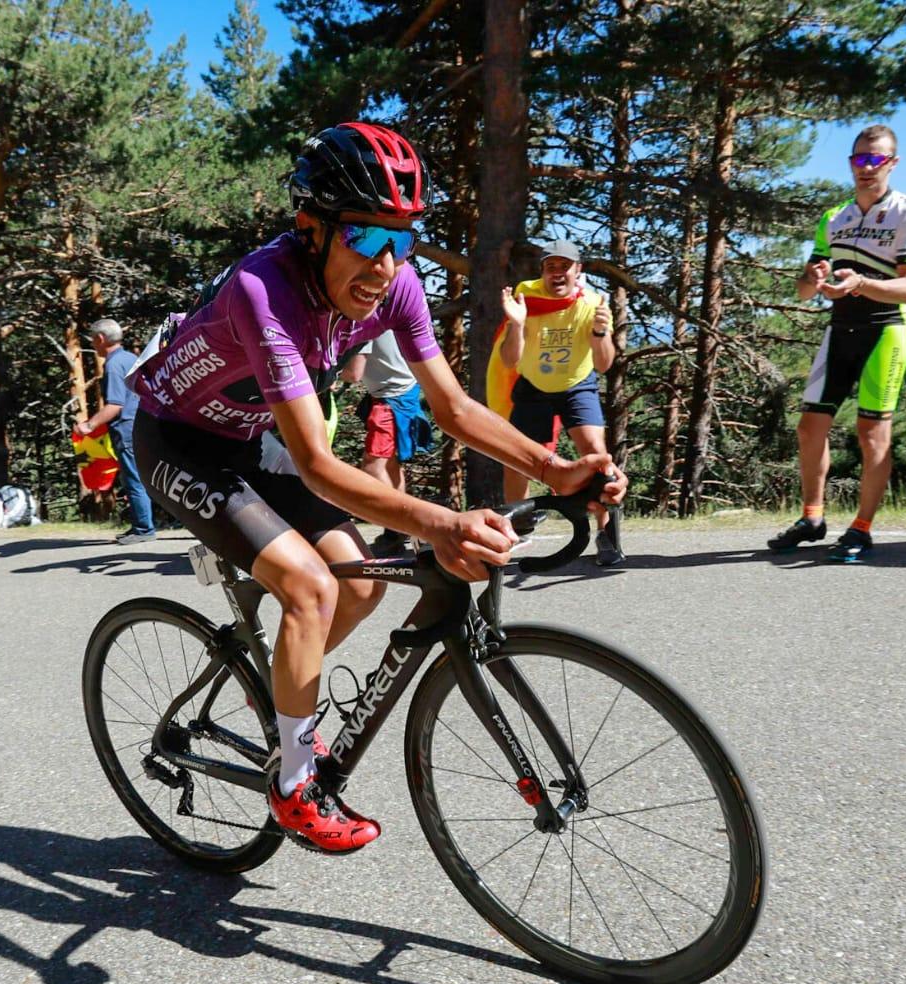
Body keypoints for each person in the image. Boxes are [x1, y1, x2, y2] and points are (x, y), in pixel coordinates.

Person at [128, 122, 624, 854]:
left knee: (361, 584)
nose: (387, 264)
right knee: (309, 587)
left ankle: (277, 699)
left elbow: (454, 409)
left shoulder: (398, 288)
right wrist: (441, 524)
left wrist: (556, 470)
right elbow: (323, 466)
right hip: (179, 440)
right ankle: (293, 781)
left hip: (249, 438)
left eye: (405, 240)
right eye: (365, 238)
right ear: (311, 229)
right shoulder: (266, 290)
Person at [766, 124, 906, 563]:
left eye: (876, 159)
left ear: (892, 163)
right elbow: (805, 289)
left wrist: (862, 282)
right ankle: (812, 517)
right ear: (850, 163)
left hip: (886, 330)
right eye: (860, 159)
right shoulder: (834, 218)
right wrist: (814, 278)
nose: (867, 167)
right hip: (840, 328)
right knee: (809, 428)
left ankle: (861, 528)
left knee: (872, 434)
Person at [494, 240, 626, 567]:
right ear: (542, 272)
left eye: (564, 266)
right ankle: (518, 526)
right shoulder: (527, 297)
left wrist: (600, 333)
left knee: (597, 454)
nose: (557, 273)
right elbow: (510, 360)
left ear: (577, 271)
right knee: (517, 459)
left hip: (576, 384)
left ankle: (606, 535)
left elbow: (604, 364)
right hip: (534, 386)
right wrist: (517, 323)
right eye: (550, 266)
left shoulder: (592, 303)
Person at [339, 329, 433, 556]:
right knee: (391, 466)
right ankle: (395, 532)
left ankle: (417, 524)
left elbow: (354, 373)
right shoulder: (377, 316)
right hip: (402, 391)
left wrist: (325, 373)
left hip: (391, 398)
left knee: (373, 467)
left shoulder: (361, 322)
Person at [73, 319, 156, 545]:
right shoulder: (131, 358)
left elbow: (115, 405)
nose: (93, 344)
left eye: (93, 340)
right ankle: (141, 525)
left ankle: (143, 528)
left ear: (100, 339)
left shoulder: (112, 365)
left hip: (126, 428)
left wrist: (88, 426)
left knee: (133, 478)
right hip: (142, 423)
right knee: (139, 476)